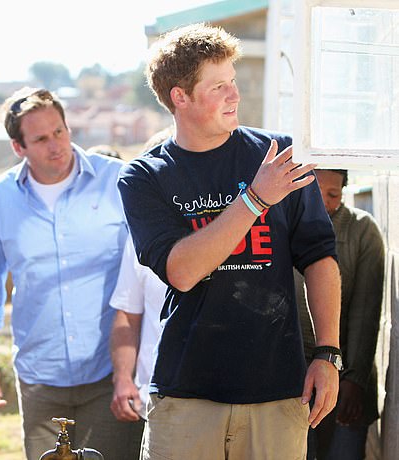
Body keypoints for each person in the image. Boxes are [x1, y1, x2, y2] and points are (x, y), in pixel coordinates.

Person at [117, 23, 341, 459]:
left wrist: (329, 353)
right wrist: (256, 199)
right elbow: (182, 271)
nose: (234, 95)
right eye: (218, 86)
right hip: (187, 392)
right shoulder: (144, 177)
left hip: (278, 391)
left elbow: (320, 258)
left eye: (233, 82)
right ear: (179, 97)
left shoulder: (279, 156)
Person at [0, 87, 131, 460]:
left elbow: (144, 273)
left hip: (112, 373)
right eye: (40, 138)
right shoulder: (1, 197)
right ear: (18, 147)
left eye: (60, 131)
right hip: (40, 375)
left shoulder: (117, 181)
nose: (56, 145)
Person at [306, 169, 385, 460]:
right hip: (296, 386)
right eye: (315, 190)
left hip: (346, 383)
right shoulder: (284, 225)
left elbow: (366, 312)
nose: (324, 202)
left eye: (333, 195)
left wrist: (354, 382)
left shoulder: (362, 231)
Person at [109, 235, 167, 457]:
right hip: (155, 403)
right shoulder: (141, 229)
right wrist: (123, 377)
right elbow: (127, 314)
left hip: (233, 402)